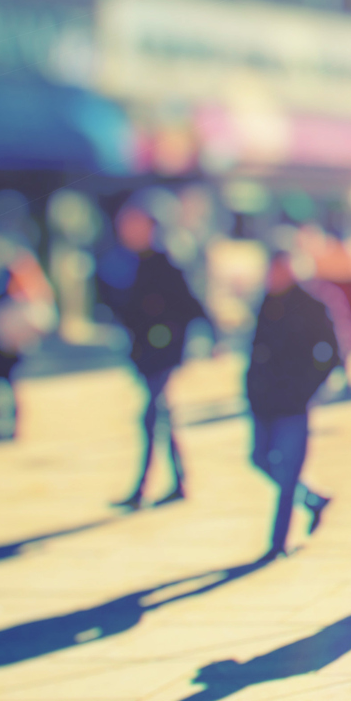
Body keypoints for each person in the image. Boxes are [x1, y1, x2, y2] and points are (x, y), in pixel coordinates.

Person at [99, 202, 207, 508]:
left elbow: (190, 306)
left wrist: (200, 337)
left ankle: (141, 489)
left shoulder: (164, 262)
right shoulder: (128, 262)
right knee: (161, 416)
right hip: (144, 353)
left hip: (163, 352)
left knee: (150, 416)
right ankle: (179, 481)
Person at [244, 250, 344, 558]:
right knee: (259, 459)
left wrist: (307, 386)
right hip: (262, 400)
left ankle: (277, 544)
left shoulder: (311, 305)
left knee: (287, 473)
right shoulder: (265, 303)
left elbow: (332, 353)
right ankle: (313, 500)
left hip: (292, 402)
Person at [0, 232, 50, 442]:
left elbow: (35, 298)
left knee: (4, 385)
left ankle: (8, 425)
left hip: (8, 340)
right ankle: (1, 425)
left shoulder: (14, 271)